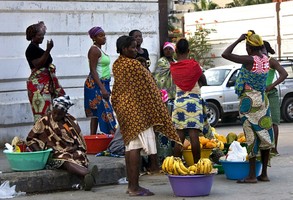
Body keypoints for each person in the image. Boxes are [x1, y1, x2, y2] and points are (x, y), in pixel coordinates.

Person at [111, 35, 181, 196]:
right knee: (134, 147)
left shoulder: (118, 64)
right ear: (124, 49)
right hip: (136, 112)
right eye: (133, 47)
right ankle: (134, 187)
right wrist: (157, 108)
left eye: (136, 47)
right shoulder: (133, 66)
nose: (136, 50)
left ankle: (131, 186)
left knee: (129, 146)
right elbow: (148, 88)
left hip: (125, 110)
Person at [221, 31, 274, 183]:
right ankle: (263, 173)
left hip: (248, 103)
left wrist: (238, 39)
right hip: (263, 101)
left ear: (249, 48)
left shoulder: (249, 60)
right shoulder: (266, 59)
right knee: (265, 136)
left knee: (251, 138)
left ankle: (251, 176)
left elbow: (226, 54)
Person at [26, 95, 98, 191]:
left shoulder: (70, 122)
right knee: (65, 161)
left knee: (79, 156)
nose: (56, 116)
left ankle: (86, 180)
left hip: (70, 151)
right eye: (54, 113)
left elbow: (79, 142)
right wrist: (41, 154)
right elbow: (30, 139)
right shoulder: (44, 121)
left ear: (65, 113)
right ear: (52, 108)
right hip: (53, 154)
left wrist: (75, 148)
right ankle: (87, 174)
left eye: (59, 115)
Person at [170, 38, 212, 165]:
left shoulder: (174, 67)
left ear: (176, 51)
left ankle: (175, 165)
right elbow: (204, 81)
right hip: (194, 102)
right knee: (194, 136)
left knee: (180, 137)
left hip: (179, 103)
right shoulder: (195, 66)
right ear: (188, 51)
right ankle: (196, 165)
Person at [25, 23, 65, 122]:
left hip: (45, 86)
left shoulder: (37, 48)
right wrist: (48, 50)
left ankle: (48, 133)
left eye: (42, 35)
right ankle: (41, 134)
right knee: (42, 112)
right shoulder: (31, 49)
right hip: (38, 87)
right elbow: (38, 64)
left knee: (49, 111)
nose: (42, 37)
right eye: (39, 35)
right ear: (33, 36)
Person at [84, 26, 116, 135]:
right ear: (94, 38)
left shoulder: (99, 50)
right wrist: (102, 88)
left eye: (104, 35)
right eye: (100, 36)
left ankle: (94, 137)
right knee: (105, 111)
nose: (104, 38)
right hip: (97, 84)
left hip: (103, 83)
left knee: (97, 113)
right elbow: (93, 70)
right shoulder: (94, 50)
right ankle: (109, 134)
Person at [263, 41, 288, 156]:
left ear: (265, 49)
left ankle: (274, 148)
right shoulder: (253, 61)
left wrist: (271, 86)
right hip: (259, 94)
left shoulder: (271, 61)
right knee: (261, 122)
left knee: (274, 122)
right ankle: (264, 147)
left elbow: (284, 74)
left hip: (271, 93)